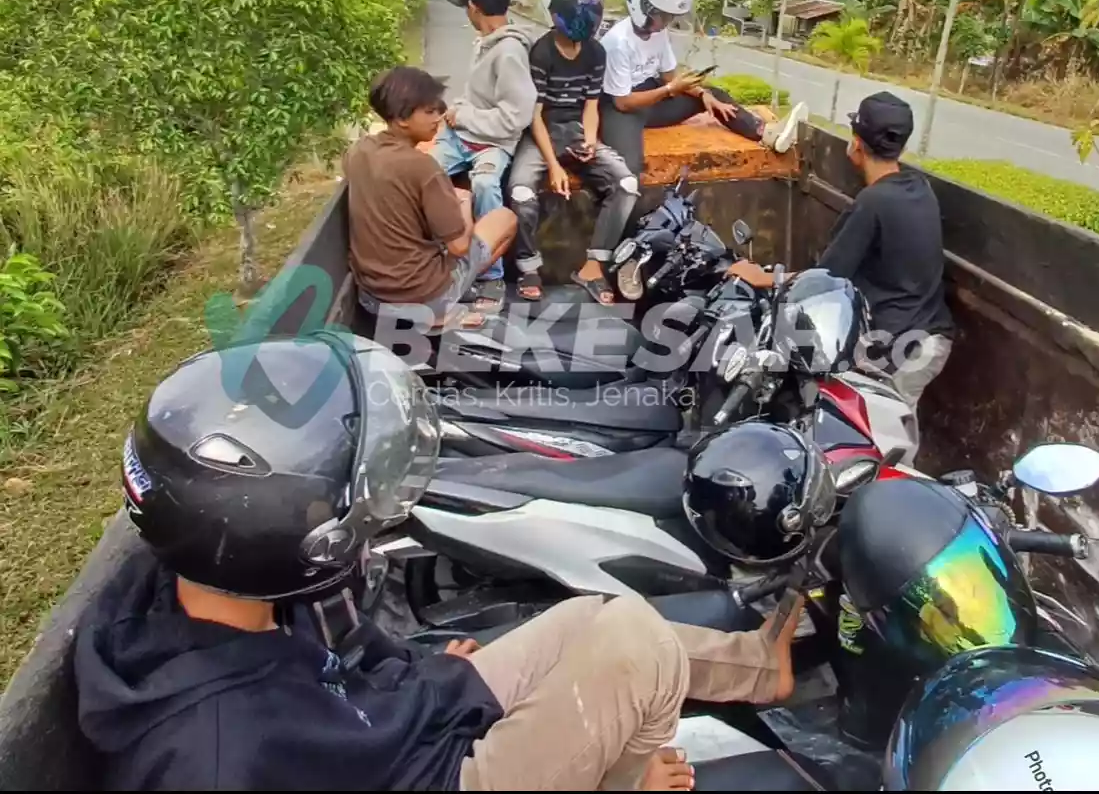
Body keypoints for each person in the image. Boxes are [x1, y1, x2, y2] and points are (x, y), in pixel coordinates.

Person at [74, 333, 809, 792]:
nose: (362, 523)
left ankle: (757, 669)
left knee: (594, 617)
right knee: (638, 649)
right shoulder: (209, 757)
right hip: (432, 773)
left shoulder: (237, 584)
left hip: (398, 721)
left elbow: (339, 662)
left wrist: (412, 676)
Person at [727, 91, 954, 412]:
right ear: (901, 146)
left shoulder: (872, 203)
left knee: (874, 433)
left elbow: (826, 279)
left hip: (902, 344)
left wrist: (763, 277)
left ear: (857, 144)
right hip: (931, 335)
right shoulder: (918, 186)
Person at [599, 0, 809, 179]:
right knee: (629, 170)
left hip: (652, 98)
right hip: (620, 108)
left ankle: (765, 133)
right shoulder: (618, 42)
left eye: (671, 16)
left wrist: (702, 94)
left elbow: (669, 75)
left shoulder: (658, 33)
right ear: (643, 7)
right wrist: (670, 89)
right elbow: (623, 102)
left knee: (713, 95)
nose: (668, 21)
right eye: (663, 15)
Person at [506, 0, 640, 306]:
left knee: (626, 185)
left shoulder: (596, 52)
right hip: (543, 131)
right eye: (575, 10)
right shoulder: (542, 52)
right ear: (554, 10)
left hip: (578, 129)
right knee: (521, 192)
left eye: (591, 9)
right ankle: (529, 268)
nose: (586, 18)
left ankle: (593, 267)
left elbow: (591, 105)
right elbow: (534, 116)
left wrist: (592, 141)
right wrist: (553, 165)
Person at [346, 66, 517, 331]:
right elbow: (459, 246)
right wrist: (463, 205)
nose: (438, 117)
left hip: (371, 298)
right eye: (429, 111)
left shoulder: (358, 151)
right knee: (504, 219)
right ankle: (446, 310)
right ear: (402, 119)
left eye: (438, 109)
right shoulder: (424, 167)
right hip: (426, 298)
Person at [431, 0, 539, 314]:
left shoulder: (509, 52)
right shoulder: (485, 43)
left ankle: (489, 274)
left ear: (474, 7)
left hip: (491, 142)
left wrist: (465, 117)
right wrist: (460, 109)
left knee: (486, 186)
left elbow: (514, 118)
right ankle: (432, 259)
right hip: (460, 135)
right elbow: (478, 96)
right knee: (425, 174)